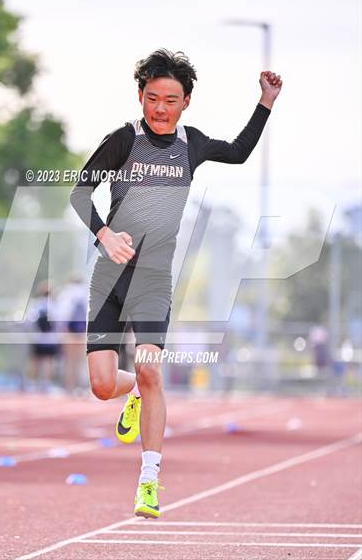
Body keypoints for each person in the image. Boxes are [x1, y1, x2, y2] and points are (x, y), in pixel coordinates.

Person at [70, 49, 282, 518]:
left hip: (151, 281)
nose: (160, 108)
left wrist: (265, 101)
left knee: (151, 371)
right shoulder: (123, 141)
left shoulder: (193, 144)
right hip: (110, 277)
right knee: (103, 386)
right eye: (151, 97)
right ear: (140, 96)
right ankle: (132, 397)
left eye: (170, 99)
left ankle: (149, 480)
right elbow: (79, 190)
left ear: (186, 101)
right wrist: (103, 233)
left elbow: (240, 152)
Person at [26, 280, 60, 392]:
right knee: (49, 361)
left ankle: (31, 384)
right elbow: (59, 322)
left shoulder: (37, 304)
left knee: (35, 361)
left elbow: (30, 320)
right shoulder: (54, 305)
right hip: (50, 339)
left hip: (38, 337)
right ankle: (46, 385)